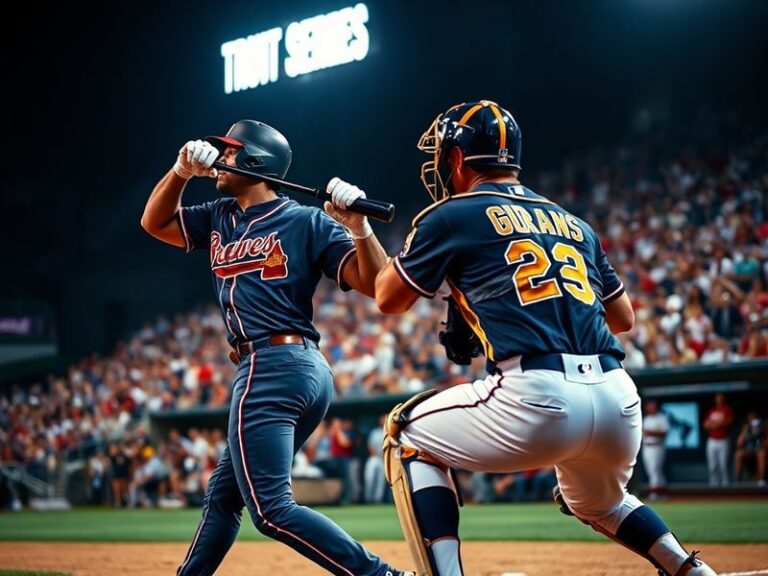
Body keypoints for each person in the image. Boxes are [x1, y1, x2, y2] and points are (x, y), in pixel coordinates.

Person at [369, 100, 716, 575]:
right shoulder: (574, 223)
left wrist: (357, 227)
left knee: (406, 434)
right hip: (617, 399)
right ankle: (689, 569)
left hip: (537, 396)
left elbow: (388, 297)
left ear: (457, 158)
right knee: (601, 503)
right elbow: (623, 318)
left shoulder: (451, 214)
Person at [141, 120, 410, 576]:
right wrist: (180, 172)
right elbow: (154, 223)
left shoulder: (306, 220)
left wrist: (360, 228)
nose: (220, 158)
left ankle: (382, 575)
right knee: (224, 498)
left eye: (231, 152)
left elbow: (374, 285)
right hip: (296, 369)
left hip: (272, 364)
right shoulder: (219, 215)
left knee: (270, 510)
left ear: (256, 161)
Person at [703, 393, 734, 486]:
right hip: (712, 440)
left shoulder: (727, 409)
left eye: (721, 398)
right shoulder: (712, 411)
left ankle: (725, 486)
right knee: (712, 466)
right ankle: (714, 486)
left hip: (723, 440)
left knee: (723, 465)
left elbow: (729, 422)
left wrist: (715, 424)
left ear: (724, 399)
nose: (719, 399)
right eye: (717, 398)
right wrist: (717, 424)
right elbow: (705, 425)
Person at [642, 400, 670, 500]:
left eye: (652, 406)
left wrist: (649, 432)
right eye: (649, 406)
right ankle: (662, 492)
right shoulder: (646, 419)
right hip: (646, 446)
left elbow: (664, 433)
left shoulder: (662, 418)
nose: (650, 408)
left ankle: (654, 493)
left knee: (655, 469)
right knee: (651, 471)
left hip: (657, 446)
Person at [734, 411, 766, 485]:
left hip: (760, 449)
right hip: (748, 450)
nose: (752, 419)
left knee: (762, 454)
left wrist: (761, 430)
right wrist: (745, 430)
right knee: (738, 454)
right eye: (750, 418)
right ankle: (738, 481)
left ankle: (761, 480)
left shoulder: (763, 426)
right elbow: (739, 444)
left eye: (754, 418)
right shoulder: (746, 427)